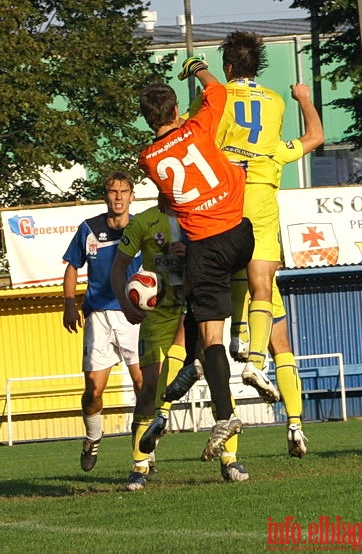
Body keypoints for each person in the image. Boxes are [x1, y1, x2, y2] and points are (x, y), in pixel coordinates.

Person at [166, 32, 323, 458]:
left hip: (223, 207)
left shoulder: (215, 99)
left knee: (201, 311)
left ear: (230, 65)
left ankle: (178, 392)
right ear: (257, 65)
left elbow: (192, 128)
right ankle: (261, 370)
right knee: (269, 304)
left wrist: (187, 93)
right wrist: (303, 98)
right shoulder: (274, 104)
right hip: (261, 201)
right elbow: (312, 139)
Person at [135, 58, 256, 467]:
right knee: (208, 306)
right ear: (174, 112)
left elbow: (170, 196)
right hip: (242, 233)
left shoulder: (147, 158)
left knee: (212, 335)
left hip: (205, 247)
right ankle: (196, 362)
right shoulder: (197, 126)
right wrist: (198, 68)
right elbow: (218, 92)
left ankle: (224, 416)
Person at [62, 171, 142, 473]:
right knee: (94, 391)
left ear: (132, 195)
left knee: (142, 385)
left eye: (124, 191)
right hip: (98, 316)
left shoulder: (140, 227)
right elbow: (72, 266)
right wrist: (69, 304)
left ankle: (143, 452)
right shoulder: (89, 229)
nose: (118, 196)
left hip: (133, 315)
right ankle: (93, 437)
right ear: (105, 196)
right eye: (113, 191)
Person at [110, 196, 189, 491]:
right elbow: (119, 267)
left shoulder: (195, 216)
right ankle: (139, 463)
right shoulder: (144, 221)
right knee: (149, 386)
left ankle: (229, 459)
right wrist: (126, 305)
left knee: (209, 374)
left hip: (193, 310)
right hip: (157, 315)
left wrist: (191, 254)